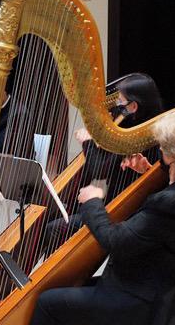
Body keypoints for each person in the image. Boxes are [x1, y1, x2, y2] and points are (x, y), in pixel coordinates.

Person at [18, 111, 175, 325]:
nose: (158, 147)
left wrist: (93, 202)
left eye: (162, 146)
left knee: (48, 304)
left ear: (171, 155)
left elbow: (114, 240)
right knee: (64, 289)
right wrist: (147, 171)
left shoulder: (169, 203)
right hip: (170, 289)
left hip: (147, 305)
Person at [42, 73, 164, 255]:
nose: (115, 106)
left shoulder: (133, 138)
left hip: (125, 211)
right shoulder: (136, 130)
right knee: (58, 213)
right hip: (115, 203)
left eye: (119, 101)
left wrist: (88, 142)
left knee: (55, 228)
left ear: (133, 106)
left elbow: (99, 172)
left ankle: (61, 276)